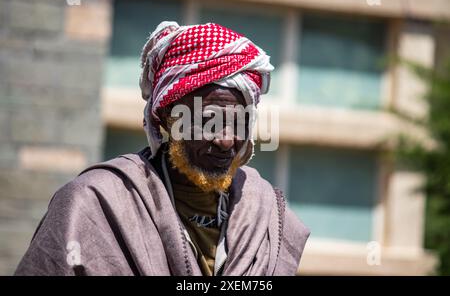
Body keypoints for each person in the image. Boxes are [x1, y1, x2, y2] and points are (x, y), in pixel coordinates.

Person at [15, 21, 310, 276]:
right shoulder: (94, 205)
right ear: (168, 117)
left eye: (240, 123)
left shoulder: (263, 209)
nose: (226, 140)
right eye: (208, 120)